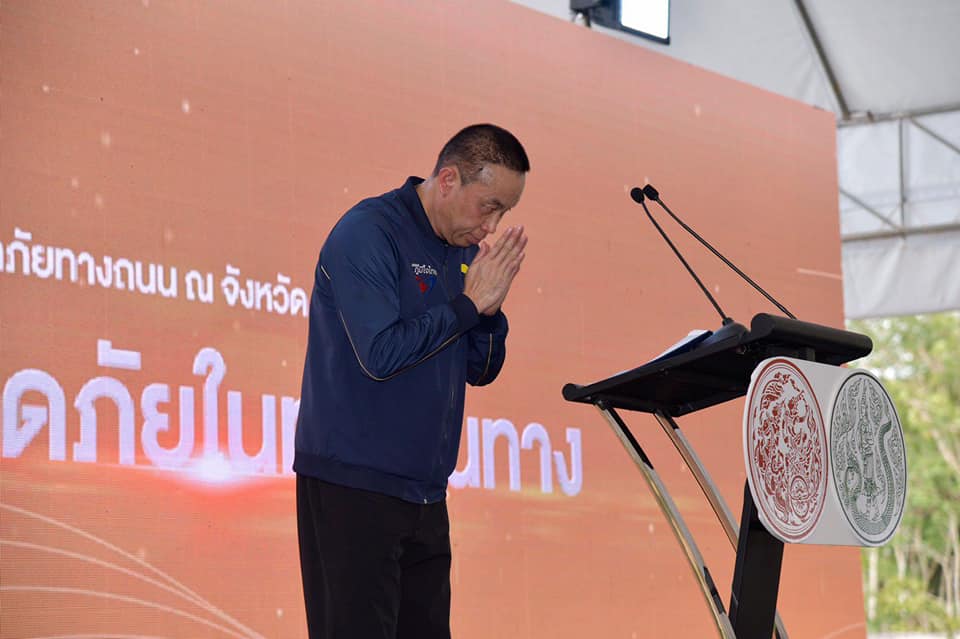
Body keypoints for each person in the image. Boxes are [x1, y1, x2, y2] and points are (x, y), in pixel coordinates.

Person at [294, 123, 530, 639]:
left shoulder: (465, 251)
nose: (492, 227)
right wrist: (468, 305)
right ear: (448, 180)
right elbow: (380, 355)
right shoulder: (369, 232)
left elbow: (480, 369)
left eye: (505, 213)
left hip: (426, 495)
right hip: (353, 487)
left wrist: (489, 311)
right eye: (489, 207)